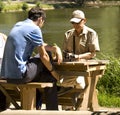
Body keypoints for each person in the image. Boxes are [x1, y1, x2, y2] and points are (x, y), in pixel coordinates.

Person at [0, 7, 63, 110]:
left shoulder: (19, 25)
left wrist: (55, 48)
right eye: (43, 22)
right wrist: (54, 72)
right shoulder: (35, 29)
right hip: (21, 75)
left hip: (7, 75)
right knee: (47, 59)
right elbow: (44, 56)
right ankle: (53, 110)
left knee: (48, 78)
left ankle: (44, 107)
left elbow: (41, 44)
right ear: (41, 19)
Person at [58, 10, 100, 109]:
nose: (75, 25)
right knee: (63, 82)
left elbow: (92, 53)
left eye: (78, 22)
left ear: (84, 20)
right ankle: (71, 105)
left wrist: (78, 57)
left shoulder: (91, 33)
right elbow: (64, 52)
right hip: (71, 67)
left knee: (81, 83)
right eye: (73, 22)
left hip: (86, 68)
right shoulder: (68, 34)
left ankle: (79, 105)